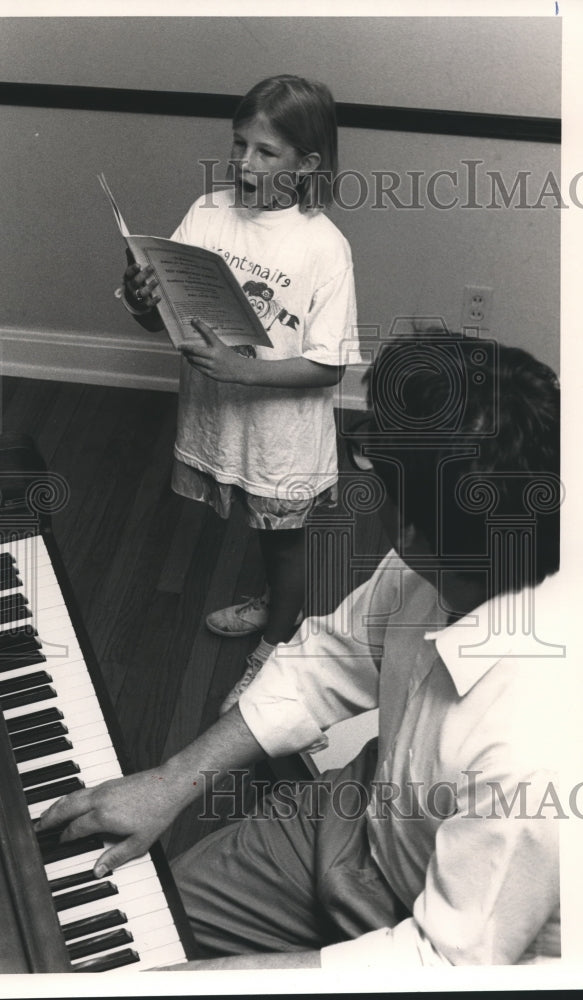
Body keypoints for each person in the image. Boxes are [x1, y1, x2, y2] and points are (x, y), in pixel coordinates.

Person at [37, 331, 564, 971]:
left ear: (412, 524)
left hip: (434, 941)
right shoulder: (452, 555)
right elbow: (326, 659)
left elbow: (443, 965)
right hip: (358, 818)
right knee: (134, 920)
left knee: (152, 973)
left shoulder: (532, 752)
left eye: (375, 464)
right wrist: (171, 782)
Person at [121, 75, 357, 711]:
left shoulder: (323, 246)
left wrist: (238, 369)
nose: (243, 162)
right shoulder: (207, 213)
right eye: (239, 144)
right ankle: (273, 608)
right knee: (258, 527)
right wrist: (147, 302)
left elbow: (328, 367)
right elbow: (164, 315)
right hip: (223, 422)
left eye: (265, 152)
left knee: (283, 538)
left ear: (307, 165)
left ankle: (278, 644)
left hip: (281, 437)